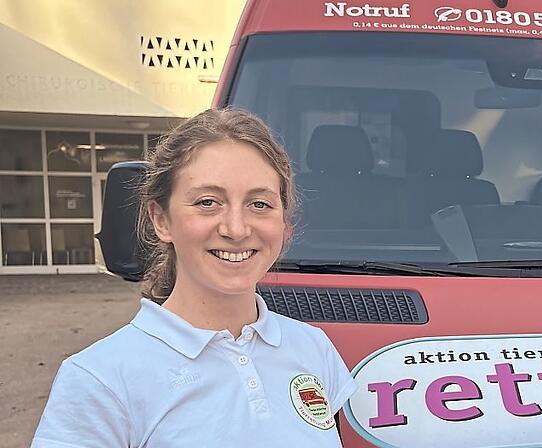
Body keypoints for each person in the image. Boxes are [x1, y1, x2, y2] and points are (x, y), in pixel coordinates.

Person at [32, 108, 356, 447]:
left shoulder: (312, 348)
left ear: (283, 224)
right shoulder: (99, 380)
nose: (236, 228)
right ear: (161, 220)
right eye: (207, 202)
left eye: (259, 204)